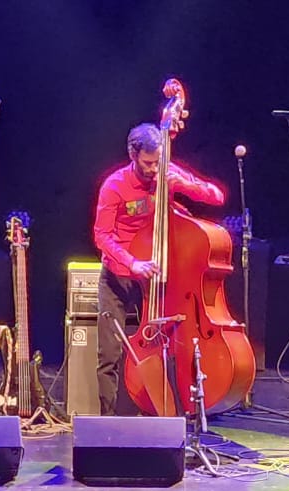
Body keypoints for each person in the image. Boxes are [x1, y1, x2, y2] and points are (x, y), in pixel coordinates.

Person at [92, 123, 226, 416]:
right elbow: (101, 235)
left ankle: (159, 412)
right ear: (132, 154)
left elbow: (217, 197)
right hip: (119, 275)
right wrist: (132, 262)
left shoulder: (167, 173)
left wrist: (184, 184)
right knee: (109, 354)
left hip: (155, 277)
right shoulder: (114, 185)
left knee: (166, 345)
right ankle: (108, 422)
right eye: (148, 163)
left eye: (158, 162)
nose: (154, 169)